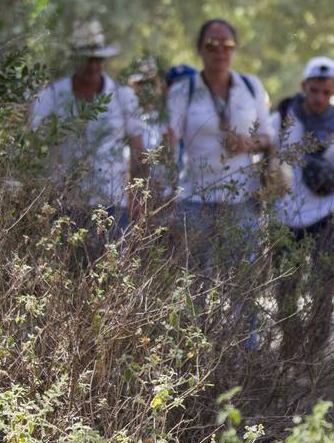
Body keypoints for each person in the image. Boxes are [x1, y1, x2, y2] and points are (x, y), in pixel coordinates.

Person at [268, 56, 334, 359]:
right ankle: (289, 347)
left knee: (323, 287)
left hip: (327, 215)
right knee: (285, 287)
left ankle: (314, 352)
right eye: (314, 91)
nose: (319, 98)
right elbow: (263, 155)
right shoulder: (282, 118)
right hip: (285, 215)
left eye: (326, 92)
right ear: (304, 86)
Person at [165, 19, 274, 283]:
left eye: (227, 45)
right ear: (199, 49)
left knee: (242, 282)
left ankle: (243, 314)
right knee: (194, 282)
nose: (220, 52)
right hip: (195, 198)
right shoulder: (183, 90)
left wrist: (248, 144)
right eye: (212, 45)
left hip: (242, 198)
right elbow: (168, 141)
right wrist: (162, 192)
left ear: (235, 49)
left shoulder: (251, 86)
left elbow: (269, 137)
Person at [30, 19, 146, 238]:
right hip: (63, 204)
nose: (93, 66)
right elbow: (33, 148)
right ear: (75, 59)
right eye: (87, 59)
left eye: (98, 59)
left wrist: (138, 198)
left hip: (112, 205)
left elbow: (138, 151)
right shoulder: (50, 96)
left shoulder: (123, 96)